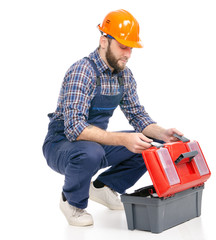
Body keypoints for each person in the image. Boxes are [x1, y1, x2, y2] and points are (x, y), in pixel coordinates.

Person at [42, 9, 183, 227]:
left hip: (95, 143)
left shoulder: (124, 76)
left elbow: (137, 115)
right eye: (122, 46)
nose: (127, 54)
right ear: (104, 41)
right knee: (92, 152)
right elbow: (74, 129)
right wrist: (122, 139)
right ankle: (71, 201)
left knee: (148, 147)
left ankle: (104, 187)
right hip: (61, 145)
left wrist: (163, 133)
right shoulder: (82, 71)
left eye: (131, 48)